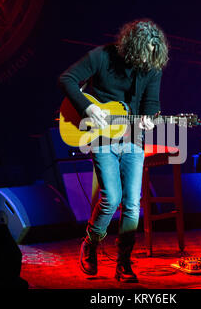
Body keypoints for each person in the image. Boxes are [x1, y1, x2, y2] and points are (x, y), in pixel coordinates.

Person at [59, 19, 169, 282]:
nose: (148, 61)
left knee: (132, 203)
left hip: (133, 137)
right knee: (111, 199)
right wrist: (87, 107)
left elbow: (151, 103)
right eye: (144, 54)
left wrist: (148, 118)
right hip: (101, 137)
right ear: (131, 48)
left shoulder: (152, 67)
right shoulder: (102, 56)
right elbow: (67, 79)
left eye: (153, 56)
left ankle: (124, 263)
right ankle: (91, 242)